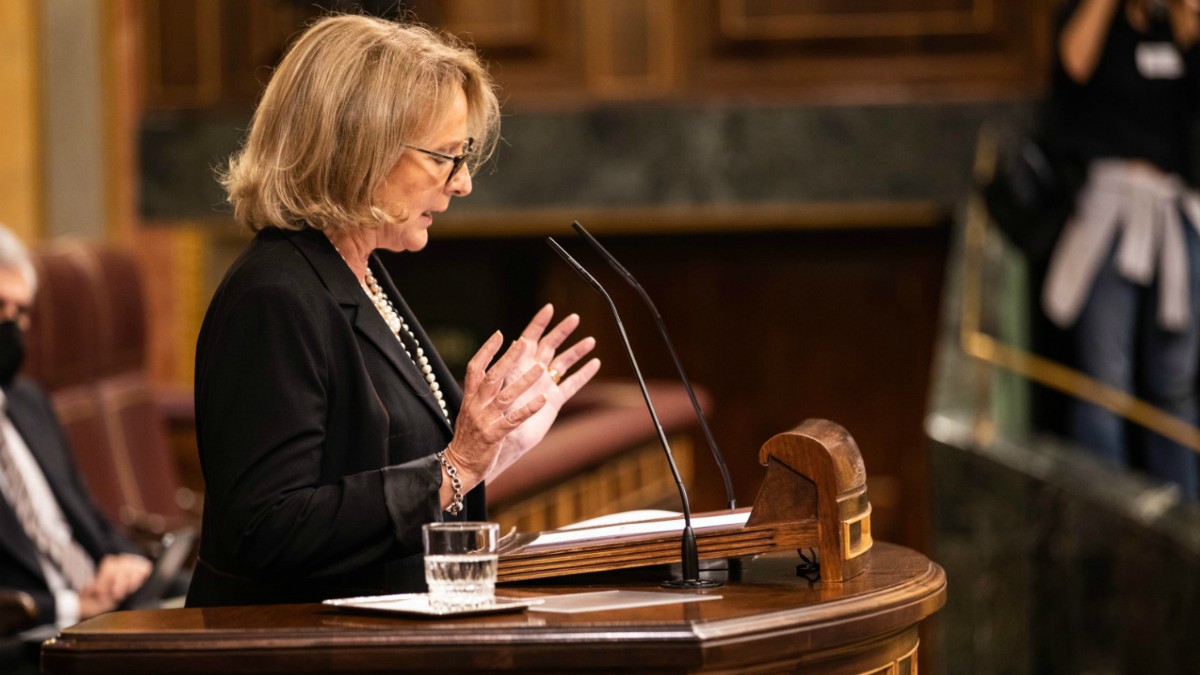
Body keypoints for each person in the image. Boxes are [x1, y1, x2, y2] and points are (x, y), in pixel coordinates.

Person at [184, 15, 601, 607]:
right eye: (444, 157)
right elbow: (265, 529)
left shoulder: (361, 272)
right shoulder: (275, 297)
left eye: (465, 157)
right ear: (360, 148)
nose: (462, 185)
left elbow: (385, 479)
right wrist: (456, 463)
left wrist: (495, 448)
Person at [1041, 0, 1200, 498]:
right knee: (1103, 384)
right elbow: (1073, 63)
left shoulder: (1184, 23)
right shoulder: (1096, 16)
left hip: (1178, 215)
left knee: (1174, 386)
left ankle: (1182, 528)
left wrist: (1187, 22)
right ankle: (1109, 524)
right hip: (1109, 214)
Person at [0, 225, 152, 649]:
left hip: (109, 611)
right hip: (34, 639)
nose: (12, 327)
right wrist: (70, 607)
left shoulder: (29, 401)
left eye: (21, 312)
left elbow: (87, 514)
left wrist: (123, 559)